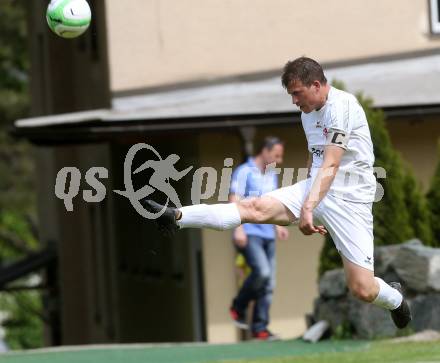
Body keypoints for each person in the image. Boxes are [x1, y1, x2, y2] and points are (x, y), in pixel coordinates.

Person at [142, 57, 412, 330]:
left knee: (362, 289)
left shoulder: (342, 107)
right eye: (291, 94)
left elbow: (331, 162)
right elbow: (316, 156)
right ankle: (175, 216)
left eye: (297, 93)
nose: (294, 100)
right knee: (253, 207)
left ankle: (396, 299)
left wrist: (307, 207)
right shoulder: (308, 113)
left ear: (316, 85)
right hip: (316, 188)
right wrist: (307, 196)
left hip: (350, 199)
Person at [228, 137, 289, 340]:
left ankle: (260, 328)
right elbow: (234, 200)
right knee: (262, 273)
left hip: (268, 234)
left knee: (269, 283)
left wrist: (279, 226)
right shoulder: (244, 171)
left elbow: (273, 204)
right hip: (249, 233)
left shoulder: (271, 175)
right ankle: (239, 305)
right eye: (277, 155)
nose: (279, 160)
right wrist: (238, 229)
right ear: (265, 151)